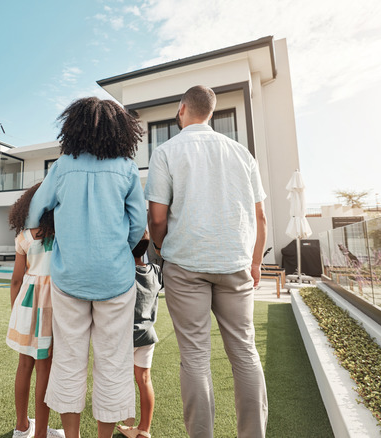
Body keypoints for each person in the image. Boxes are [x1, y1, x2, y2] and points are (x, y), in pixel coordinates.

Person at [144, 85, 269, 438]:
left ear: (182, 109)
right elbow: (261, 219)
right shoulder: (242, 154)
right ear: (211, 113)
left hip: (185, 265)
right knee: (245, 353)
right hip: (236, 265)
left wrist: (160, 248)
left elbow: (156, 217)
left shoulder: (166, 151)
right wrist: (256, 262)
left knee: (196, 358)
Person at [24, 97, 147, 438]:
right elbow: (138, 223)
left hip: (70, 277)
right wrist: (118, 247)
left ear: (73, 127)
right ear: (120, 130)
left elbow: (35, 211)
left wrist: (46, 225)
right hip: (116, 279)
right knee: (113, 362)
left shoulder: (63, 165)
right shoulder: (126, 167)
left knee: (68, 361)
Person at [6, 183, 65, 438]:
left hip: (26, 304)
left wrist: (15, 311)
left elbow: (16, 280)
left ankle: (22, 427)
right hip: (52, 305)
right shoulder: (62, 235)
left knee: (23, 366)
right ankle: (41, 432)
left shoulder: (24, 236)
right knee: (44, 369)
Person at [117, 231, 161, 438]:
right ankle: (144, 429)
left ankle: (126, 420)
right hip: (147, 335)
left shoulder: (122, 273)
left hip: (125, 337)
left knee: (116, 380)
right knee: (144, 380)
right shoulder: (155, 271)